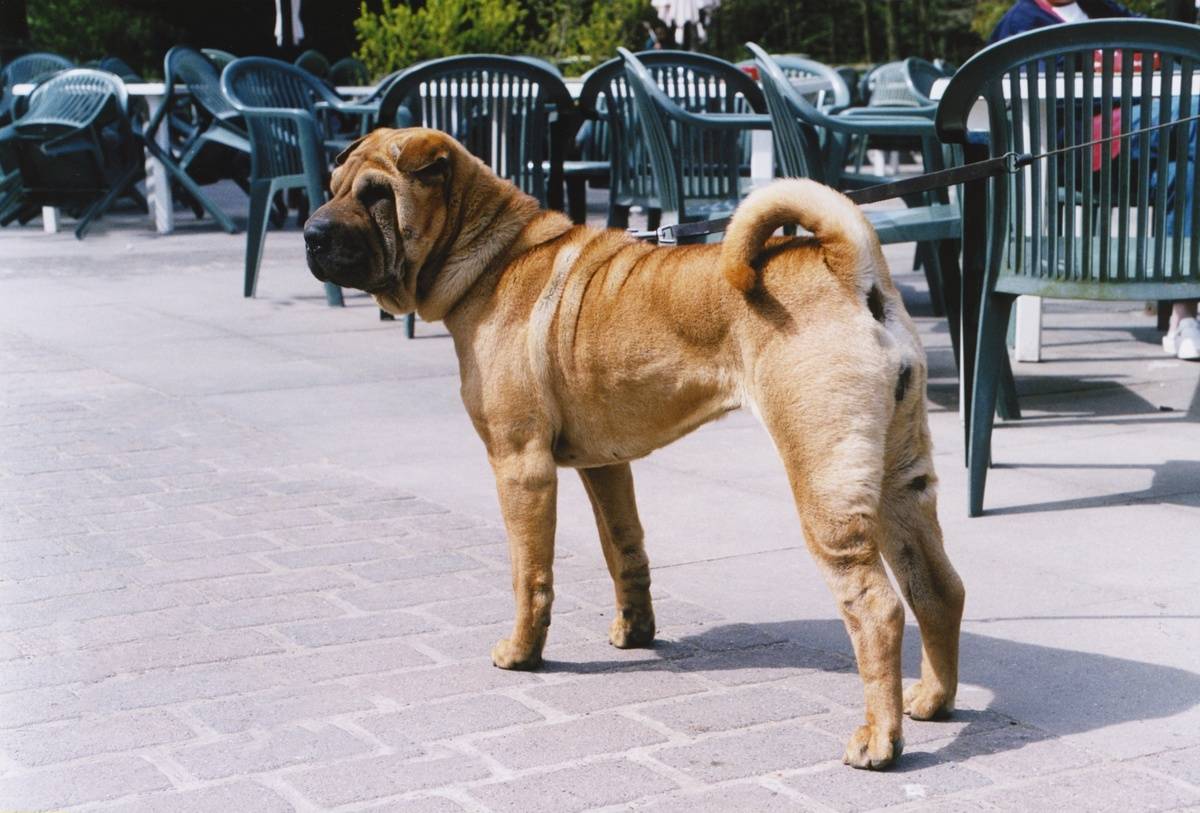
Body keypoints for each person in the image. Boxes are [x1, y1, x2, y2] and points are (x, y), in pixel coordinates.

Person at [991, 0, 1200, 361]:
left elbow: (1160, 43)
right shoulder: (1023, 21)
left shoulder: (1102, 8)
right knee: (1193, 113)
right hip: (1073, 150)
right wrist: (1117, 65)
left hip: (1135, 147)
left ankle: (1183, 316)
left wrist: (1122, 62)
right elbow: (1033, 104)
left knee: (1184, 173)